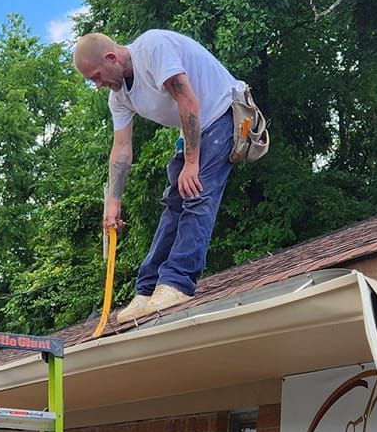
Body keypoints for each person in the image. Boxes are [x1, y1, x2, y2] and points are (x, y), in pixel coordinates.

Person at [72, 28, 254, 325]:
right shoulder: (118, 97)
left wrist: (191, 162)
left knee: (196, 193)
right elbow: (121, 149)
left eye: (96, 76)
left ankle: (178, 283)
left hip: (223, 115)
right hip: (192, 129)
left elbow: (188, 100)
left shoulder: (153, 49)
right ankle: (147, 290)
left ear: (110, 58)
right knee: (173, 204)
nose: (97, 84)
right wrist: (113, 203)